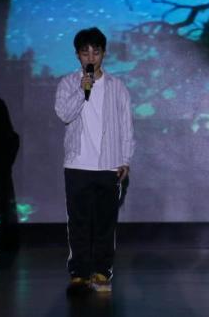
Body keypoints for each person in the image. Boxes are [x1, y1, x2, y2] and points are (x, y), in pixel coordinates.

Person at [55, 27, 135, 293]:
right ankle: (79, 272)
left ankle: (101, 271)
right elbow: (64, 114)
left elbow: (126, 125)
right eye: (85, 52)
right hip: (77, 164)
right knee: (78, 223)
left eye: (96, 52)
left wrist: (125, 159)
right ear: (77, 55)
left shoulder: (117, 87)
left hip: (109, 164)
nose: (91, 57)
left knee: (105, 224)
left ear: (104, 53)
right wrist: (82, 89)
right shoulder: (68, 83)